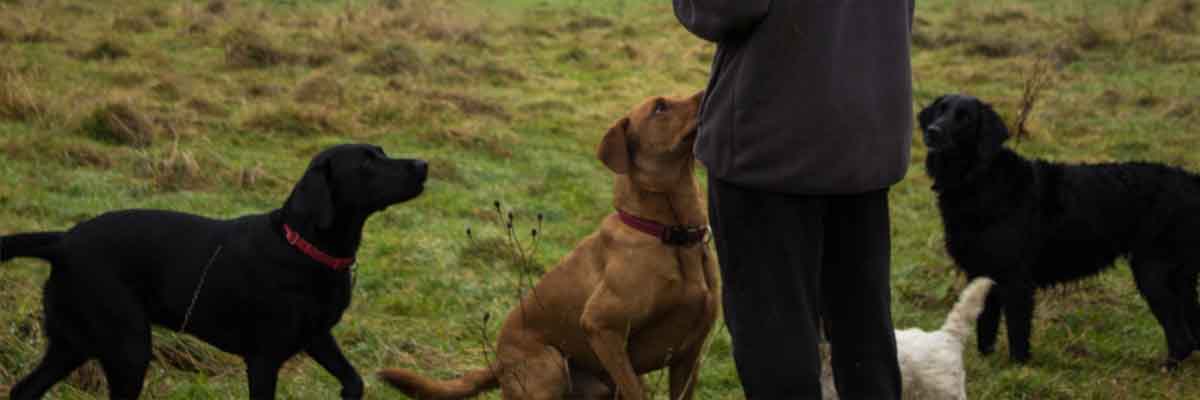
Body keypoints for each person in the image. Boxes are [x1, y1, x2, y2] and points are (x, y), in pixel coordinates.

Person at [673, 1, 915, 398]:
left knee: (774, 335)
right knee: (863, 329)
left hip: (771, 144)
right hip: (868, 134)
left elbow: (725, 7)